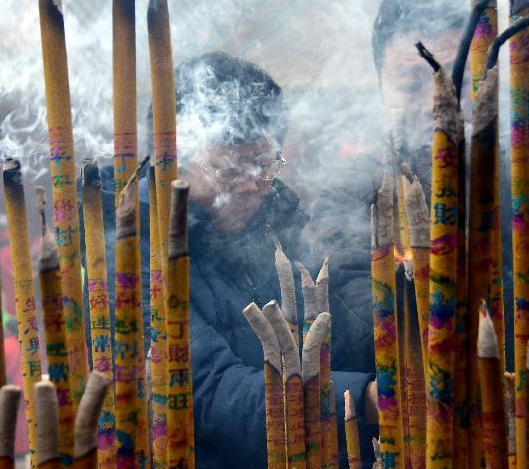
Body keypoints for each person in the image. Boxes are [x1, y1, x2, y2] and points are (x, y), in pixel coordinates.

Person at [308, 0, 529, 421]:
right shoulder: (345, 203)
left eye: (455, 78)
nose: (437, 102)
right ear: (380, 89)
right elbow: (353, 329)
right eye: (411, 84)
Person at [94, 52, 379, 468]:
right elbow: (209, 393)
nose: (251, 186)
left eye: (264, 164)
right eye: (228, 171)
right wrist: (366, 397)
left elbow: (343, 326)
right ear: (172, 158)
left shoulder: (279, 225)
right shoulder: (129, 253)